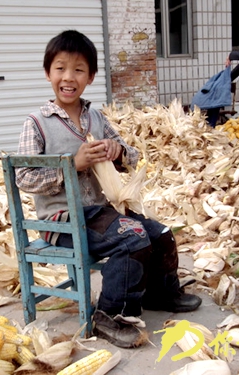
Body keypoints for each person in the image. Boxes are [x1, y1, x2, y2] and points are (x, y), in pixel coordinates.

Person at [15, 30, 201, 349]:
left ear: (91, 77)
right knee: (132, 238)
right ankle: (109, 314)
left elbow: (131, 154)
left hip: (102, 214)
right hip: (61, 221)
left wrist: (117, 151)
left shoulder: (96, 118)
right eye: (60, 68)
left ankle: (162, 293)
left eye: (78, 69)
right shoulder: (37, 122)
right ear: (48, 73)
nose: (68, 77)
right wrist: (71, 164)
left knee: (161, 233)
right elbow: (24, 178)